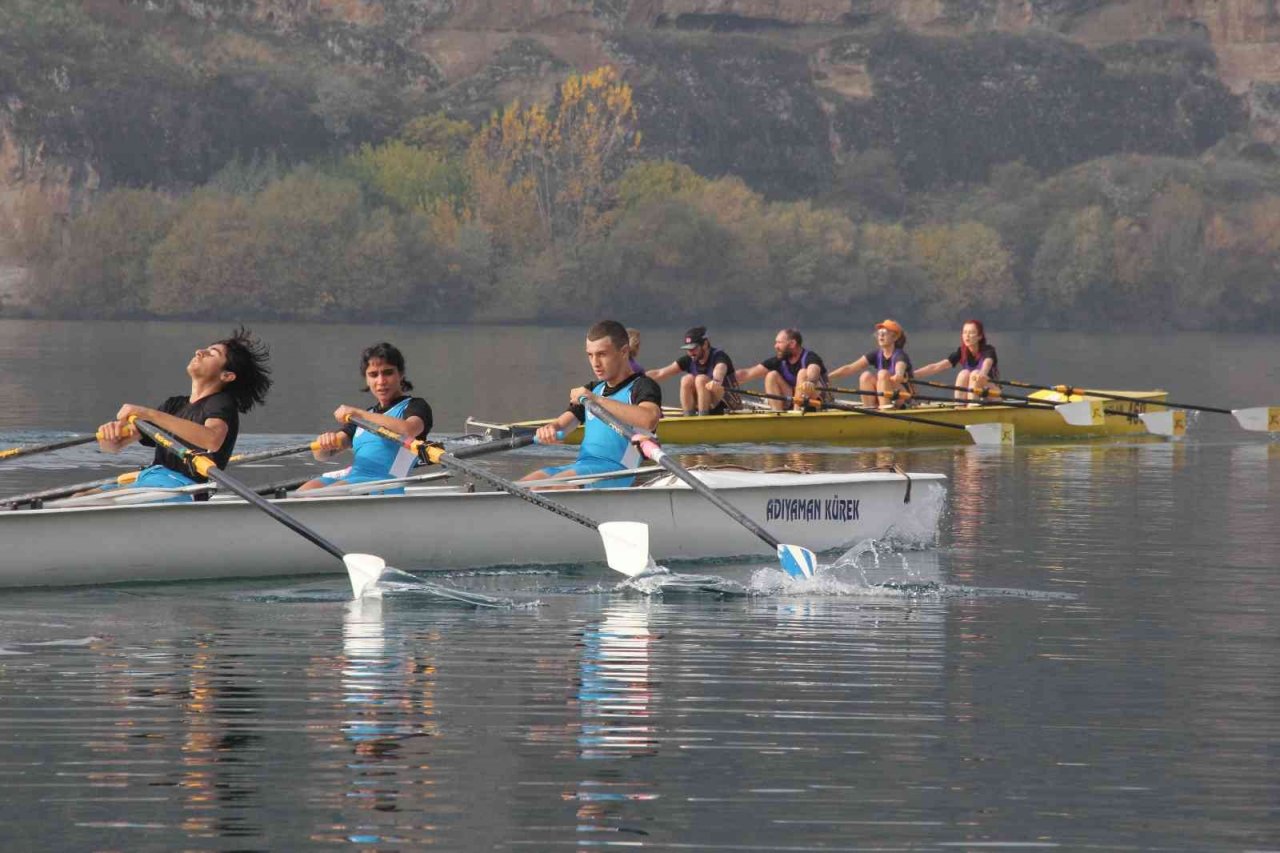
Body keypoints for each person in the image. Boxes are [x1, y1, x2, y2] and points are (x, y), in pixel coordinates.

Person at [95, 328, 272, 501]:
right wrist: (111, 435)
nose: (199, 352)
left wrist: (147, 413)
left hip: (183, 487)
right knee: (80, 496)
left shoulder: (221, 403)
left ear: (227, 375)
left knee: (99, 504)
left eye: (212, 353)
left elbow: (212, 440)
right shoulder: (173, 405)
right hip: (150, 479)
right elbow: (112, 447)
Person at [520, 320, 662, 489]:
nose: (595, 363)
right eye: (590, 355)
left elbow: (649, 419)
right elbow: (561, 426)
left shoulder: (642, 386)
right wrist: (549, 429)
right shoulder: (593, 390)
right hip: (582, 467)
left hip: (616, 472)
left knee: (554, 486)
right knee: (521, 487)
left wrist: (595, 400)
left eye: (602, 354)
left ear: (624, 352)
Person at [299, 342, 433, 494]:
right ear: (367, 379)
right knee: (299, 495)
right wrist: (324, 443)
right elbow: (322, 456)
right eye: (373, 374)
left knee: (322, 495)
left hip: (385, 483)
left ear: (401, 375)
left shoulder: (416, 406)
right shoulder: (364, 417)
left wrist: (358, 413)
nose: (381, 381)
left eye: (388, 373)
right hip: (353, 478)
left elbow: (408, 430)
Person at [646, 326, 739, 416]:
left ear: (705, 344)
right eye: (688, 349)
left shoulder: (719, 356)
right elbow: (660, 373)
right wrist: (636, 379)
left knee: (700, 379)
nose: (690, 352)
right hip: (707, 404)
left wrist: (717, 381)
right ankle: (689, 417)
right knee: (686, 379)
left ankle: (703, 418)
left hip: (727, 404)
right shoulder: (689, 359)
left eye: (693, 348)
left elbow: (720, 368)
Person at [733, 328, 827, 411]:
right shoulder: (779, 361)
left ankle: (796, 412)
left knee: (803, 373)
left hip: (815, 398)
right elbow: (747, 373)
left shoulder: (810, 357)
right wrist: (727, 380)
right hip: (794, 398)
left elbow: (814, 369)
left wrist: (810, 381)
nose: (775, 346)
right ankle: (777, 412)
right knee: (771, 375)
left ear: (792, 344)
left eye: (779, 342)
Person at [828, 319, 913, 409]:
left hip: (903, 397)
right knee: (865, 376)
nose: (881, 335)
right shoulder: (876, 354)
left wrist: (898, 374)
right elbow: (850, 368)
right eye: (879, 332)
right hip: (887, 394)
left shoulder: (900, 355)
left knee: (882, 374)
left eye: (885, 332)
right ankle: (870, 408)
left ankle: (885, 407)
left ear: (895, 337)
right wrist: (829, 377)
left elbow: (900, 368)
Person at [914, 320, 1000, 405]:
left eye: (971, 332)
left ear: (979, 336)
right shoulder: (961, 352)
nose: (967, 336)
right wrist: (912, 375)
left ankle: (973, 407)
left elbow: (987, 363)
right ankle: (959, 406)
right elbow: (937, 367)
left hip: (992, 393)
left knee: (975, 374)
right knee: (963, 374)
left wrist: (983, 373)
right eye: (965, 332)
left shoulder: (988, 350)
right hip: (974, 394)